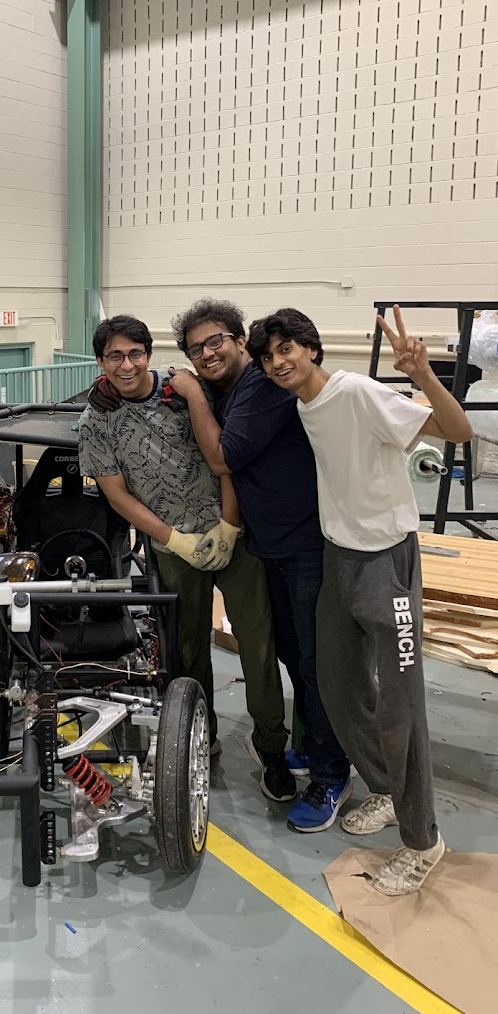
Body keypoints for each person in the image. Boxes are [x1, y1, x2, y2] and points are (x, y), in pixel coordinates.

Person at [246, 304, 473, 895]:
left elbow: (458, 431)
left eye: (286, 350)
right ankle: (390, 792)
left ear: (311, 348)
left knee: (401, 707)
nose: (278, 363)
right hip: (337, 560)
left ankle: (423, 839)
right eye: (268, 357)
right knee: (339, 691)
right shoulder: (304, 405)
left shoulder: (359, 392)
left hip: (386, 563)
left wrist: (423, 373)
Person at [78, 314, 294, 801]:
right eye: (114, 356)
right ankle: (200, 734)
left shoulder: (186, 395)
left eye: (135, 353)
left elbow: (224, 459)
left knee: (258, 644)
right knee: (187, 650)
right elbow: (116, 495)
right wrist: (174, 540)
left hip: (231, 536)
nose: (126, 364)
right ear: (100, 362)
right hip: (171, 548)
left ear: (149, 354)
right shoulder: (96, 420)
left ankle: (272, 748)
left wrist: (229, 525)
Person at [166, 299, 351, 833]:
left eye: (217, 340)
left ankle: (332, 773)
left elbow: (223, 458)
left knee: (316, 665)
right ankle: (313, 747)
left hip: (306, 544)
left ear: (238, 340)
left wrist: (194, 394)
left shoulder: (260, 389)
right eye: (196, 349)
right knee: (293, 655)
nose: (207, 353)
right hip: (269, 545)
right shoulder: (234, 391)